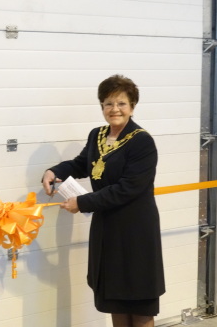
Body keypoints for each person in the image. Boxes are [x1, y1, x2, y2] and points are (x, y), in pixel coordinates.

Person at [42, 75, 165, 327]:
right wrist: (54, 171)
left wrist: (83, 203)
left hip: (135, 232)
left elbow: (128, 188)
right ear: (102, 107)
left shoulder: (142, 141)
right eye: (108, 103)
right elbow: (79, 164)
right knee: (114, 300)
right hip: (107, 229)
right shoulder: (97, 135)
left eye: (121, 103)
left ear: (132, 106)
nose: (114, 109)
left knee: (140, 305)